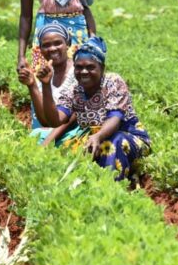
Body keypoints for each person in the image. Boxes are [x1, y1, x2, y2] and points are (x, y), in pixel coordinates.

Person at [38, 36, 151, 181]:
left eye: (90, 67)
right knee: (68, 151)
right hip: (95, 138)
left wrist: (98, 136)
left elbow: (115, 119)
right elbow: (56, 120)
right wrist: (46, 85)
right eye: (79, 67)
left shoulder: (113, 82)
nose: (84, 72)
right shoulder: (73, 89)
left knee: (112, 144)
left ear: (102, 68)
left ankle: (112, 188)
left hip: (127, 136)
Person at [17, 21, 85, 146]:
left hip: (78, 130)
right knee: (34, 136)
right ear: (41, 49)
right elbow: (45, 121)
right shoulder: (45, 73)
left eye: (58, 43)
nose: (52, 48)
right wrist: (32, 85)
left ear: (67, 44)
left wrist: (48, 142)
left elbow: (71, 119)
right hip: (57, 131)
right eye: (46, 45)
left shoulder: (80, 71)